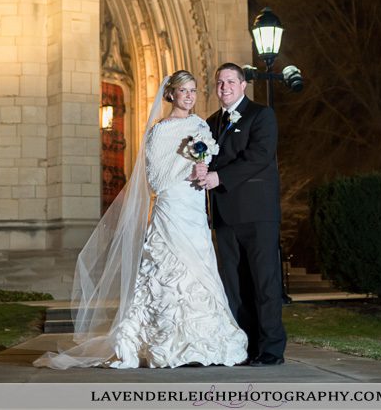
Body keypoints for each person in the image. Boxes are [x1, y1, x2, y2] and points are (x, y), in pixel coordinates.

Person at [35, 70, 247, 369]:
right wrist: (188, 170)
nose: (189, 95)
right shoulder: (160, 131)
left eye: (194, 90)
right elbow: (156, 177)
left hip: (195, 209)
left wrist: (202, 169)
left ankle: (204, 341)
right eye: (184, 90)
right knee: (165, 270)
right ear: (171, 94)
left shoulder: (201, 125)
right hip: (172, 206)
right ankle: (162, 341)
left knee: (200, 268)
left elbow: (209, 161)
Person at [196, 62, 287, 366]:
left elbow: (258, 156)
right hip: (224, 215)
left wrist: (219, 178)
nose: (225, 87)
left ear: (243, 84)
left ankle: (272, 349)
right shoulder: (209, 123)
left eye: (231, 82)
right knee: (234, 286)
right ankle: (245, 347)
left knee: (264, 282)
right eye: (220, 83)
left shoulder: (261, 115)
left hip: (257, 214)